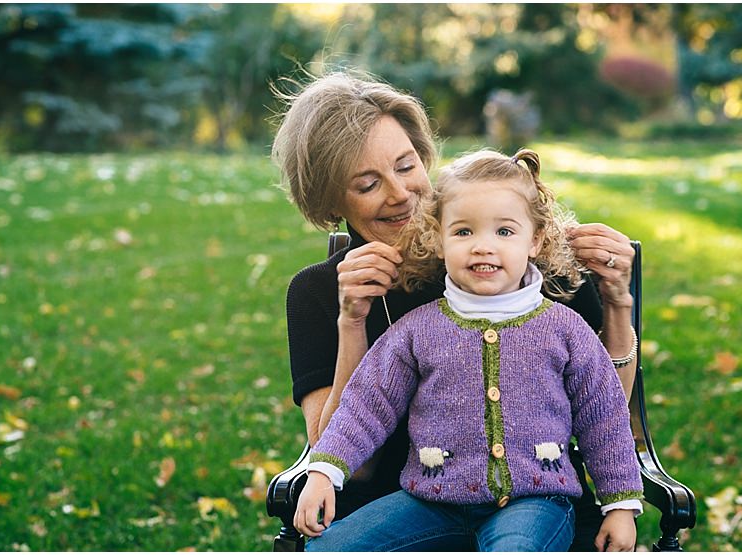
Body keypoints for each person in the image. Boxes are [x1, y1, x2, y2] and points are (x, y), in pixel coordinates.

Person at [273, 72, 641, 551]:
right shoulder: (318, 291)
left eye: (406, 166)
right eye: (367, 184)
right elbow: (353, 450)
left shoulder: (526, 263)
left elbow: (607, 408)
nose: (400, 193)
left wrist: (616, 304)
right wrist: (352, 322)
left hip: (537, 498)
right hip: (410, 503)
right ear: (329, 199)